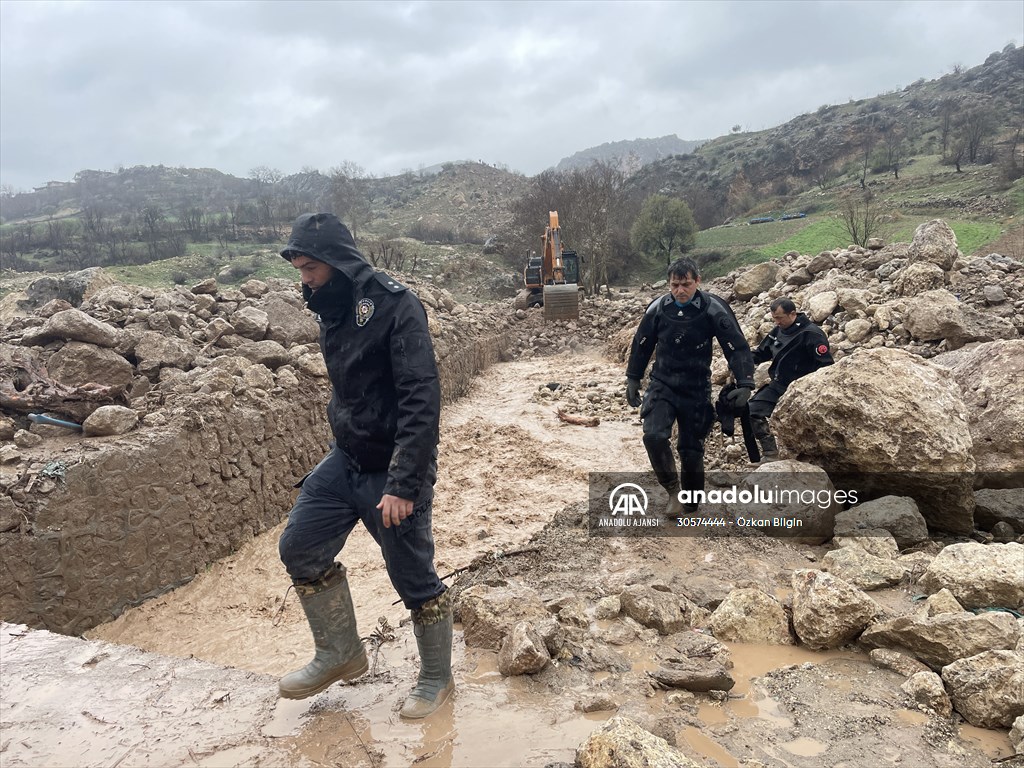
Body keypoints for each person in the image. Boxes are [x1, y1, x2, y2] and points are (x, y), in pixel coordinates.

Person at [276, 212, 452, 719]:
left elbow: (421, 397)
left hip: (394, 466)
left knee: (413, 578)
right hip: (347, 457)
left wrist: (404, 483)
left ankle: (437, 678)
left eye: (310, 268)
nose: (305, 280)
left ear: (337, 261)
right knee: (299, 546)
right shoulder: (331, 303)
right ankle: (341, 652)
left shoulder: (396, 306)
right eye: (299, 270)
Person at [625, 258, 755, 513]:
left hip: (696, 387)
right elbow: (642, 343)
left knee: (691, 449)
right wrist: (632, 378)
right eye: (675, 285)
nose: (680, 291)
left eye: (686, 284)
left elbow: (736, 346)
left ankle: (691, 499)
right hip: (662, 383)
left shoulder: (713, 308)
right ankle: (672, 490)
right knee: (653, 436)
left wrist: (745, 382)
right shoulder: (658, 309)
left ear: (697, 281)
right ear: (669, 284)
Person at [749, 297, 834, 459]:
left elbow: (826, 367)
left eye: (780, 318)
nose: (777, 322)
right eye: (774, 318)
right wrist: (741, 358)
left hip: (802, 389)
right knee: (752, 410)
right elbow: (762, 353)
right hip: (778, 385)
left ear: (792, 314)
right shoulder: (778, 331)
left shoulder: (812, 334)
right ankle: (770, 453)